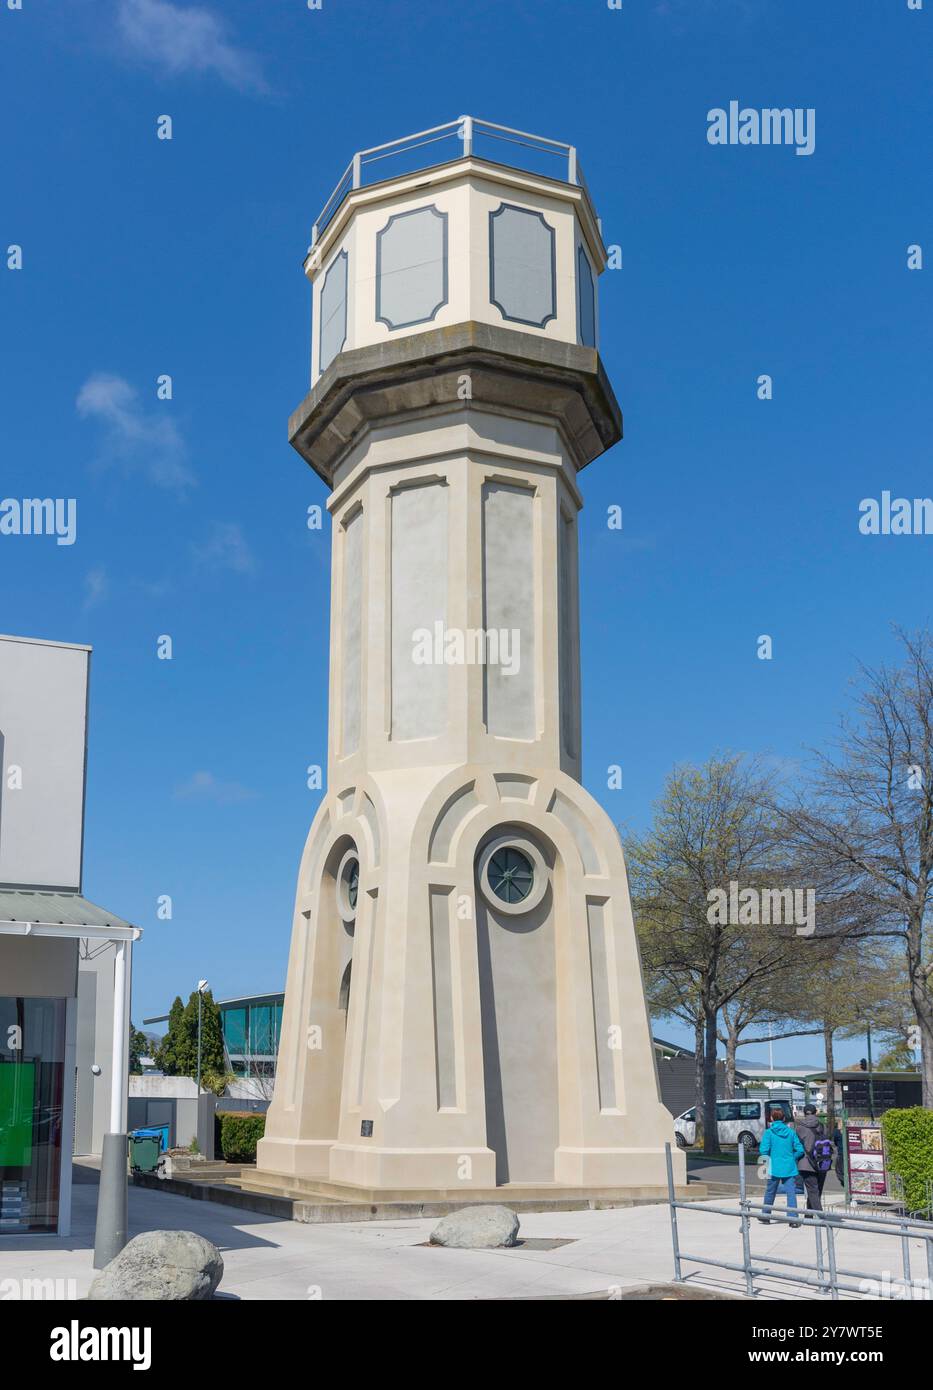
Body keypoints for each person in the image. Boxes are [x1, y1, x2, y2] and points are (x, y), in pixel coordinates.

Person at [757, 1106, 805, 1226]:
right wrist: (792, 1157)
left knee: (770, 1191)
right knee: (791, 1193)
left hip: (773, 1166)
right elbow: (800, 1149)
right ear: (784, 1118)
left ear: (771, 1118)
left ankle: (765, 1215)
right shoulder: (790, 1132)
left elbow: (763, 1150)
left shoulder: (769, 1133)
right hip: (789, 1165)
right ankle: (793, 1219)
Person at [796, 1104, 833, 1213]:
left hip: (806, 1163)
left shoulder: (799, 1127)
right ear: (815, 1112)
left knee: (812, 1191)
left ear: (804, 1113)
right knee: (817, 1190)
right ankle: (809, 1214)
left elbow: (797, 1144)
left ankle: (821, 1217)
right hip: (822, 1161)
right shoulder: (822, 1126)